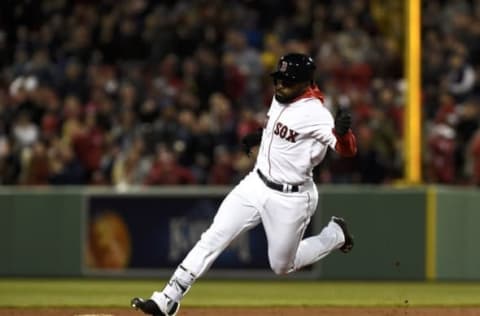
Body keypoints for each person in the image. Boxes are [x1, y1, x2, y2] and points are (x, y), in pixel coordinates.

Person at [131, 53, 357, 316]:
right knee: (213, 236)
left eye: (288, 80)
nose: (280, 84)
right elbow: (283, 130)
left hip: (291, 197)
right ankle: (167, 298)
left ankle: (335, 235)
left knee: (282, 265)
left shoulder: (316, 114)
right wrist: (260, 136)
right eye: (279, 78)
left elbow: (347, 150)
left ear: (306, 82)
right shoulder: (282, 96)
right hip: (255, 183)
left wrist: (343, 135)